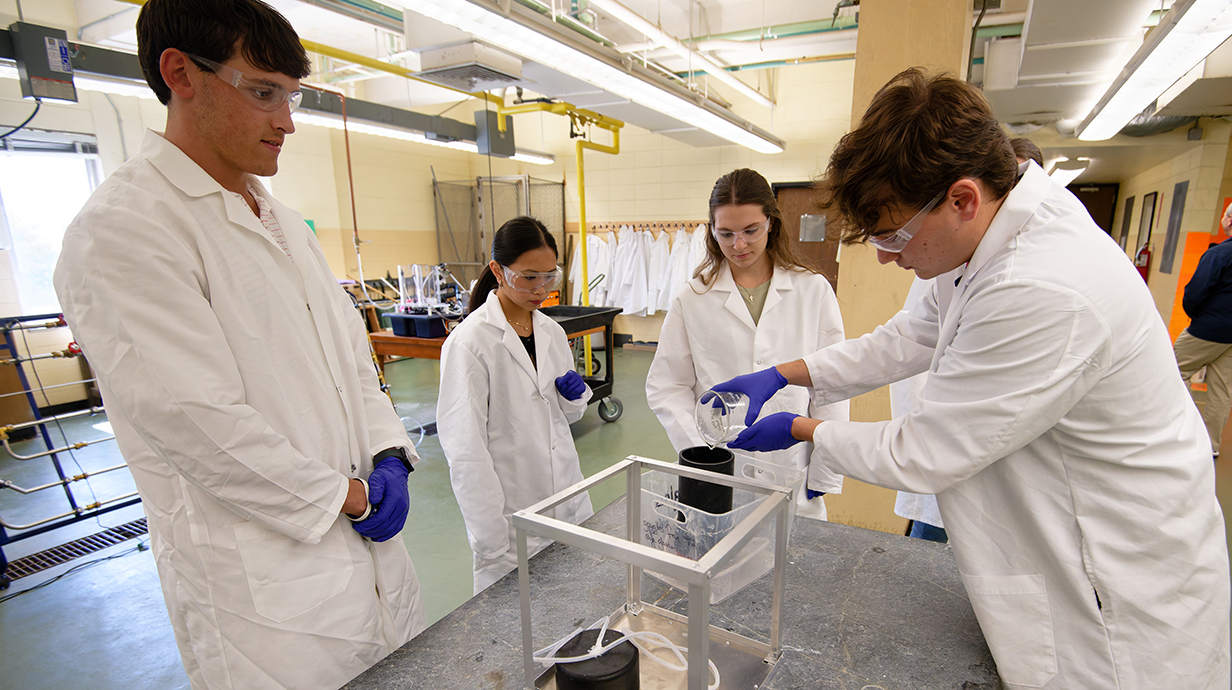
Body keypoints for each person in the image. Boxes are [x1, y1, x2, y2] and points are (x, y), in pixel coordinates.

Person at [709, 68, 1230, 687]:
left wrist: (801, 426)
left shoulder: (1041, 287)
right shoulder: (991, 235)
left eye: (893, 234)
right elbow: (907, 338)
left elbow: (925, 451)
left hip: (1114, 592)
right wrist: (785, 371)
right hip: (1070, 536)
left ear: (962, 198)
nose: (885, 256)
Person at [52, 1, 426, 688]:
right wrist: (346, 496)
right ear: (180, 73)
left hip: (367, 558)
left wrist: (386, 454)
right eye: (263, 93)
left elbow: (353, 359)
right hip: (266, 602)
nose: (286, 121)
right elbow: (197, 425)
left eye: (292, 96)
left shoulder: (285, 223)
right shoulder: (123, 232)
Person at [646, 169, 846, 518]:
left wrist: (827, 464)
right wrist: (701, 451)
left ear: (771, 223)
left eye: (751, 230)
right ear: (711, 230)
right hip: (720, 468)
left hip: (792, 466)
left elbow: (831, 382)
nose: (739, 245)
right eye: (726, 233)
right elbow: (667, 386)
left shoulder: (812, 290)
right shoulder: (693, 298)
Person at [437, 217, 594, 594]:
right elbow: (465, 449)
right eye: (528, 277)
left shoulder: (551, 332)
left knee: (574, 609)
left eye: (549, 277)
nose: (541, 289)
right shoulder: (471, 343)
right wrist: (490, 537)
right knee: (515, 630)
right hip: (512, 516)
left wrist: (575, 398)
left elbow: (564, 418)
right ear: (498, 270)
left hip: (567, 497)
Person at [1175, 202, 1232, 458]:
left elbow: (1196, 291)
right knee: (1222, 390)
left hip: (1208, 328)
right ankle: (1210, 446)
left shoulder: (1219, 254)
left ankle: (1182, 431)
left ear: (1229, 221)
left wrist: (1196, 315)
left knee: (1172, 371)